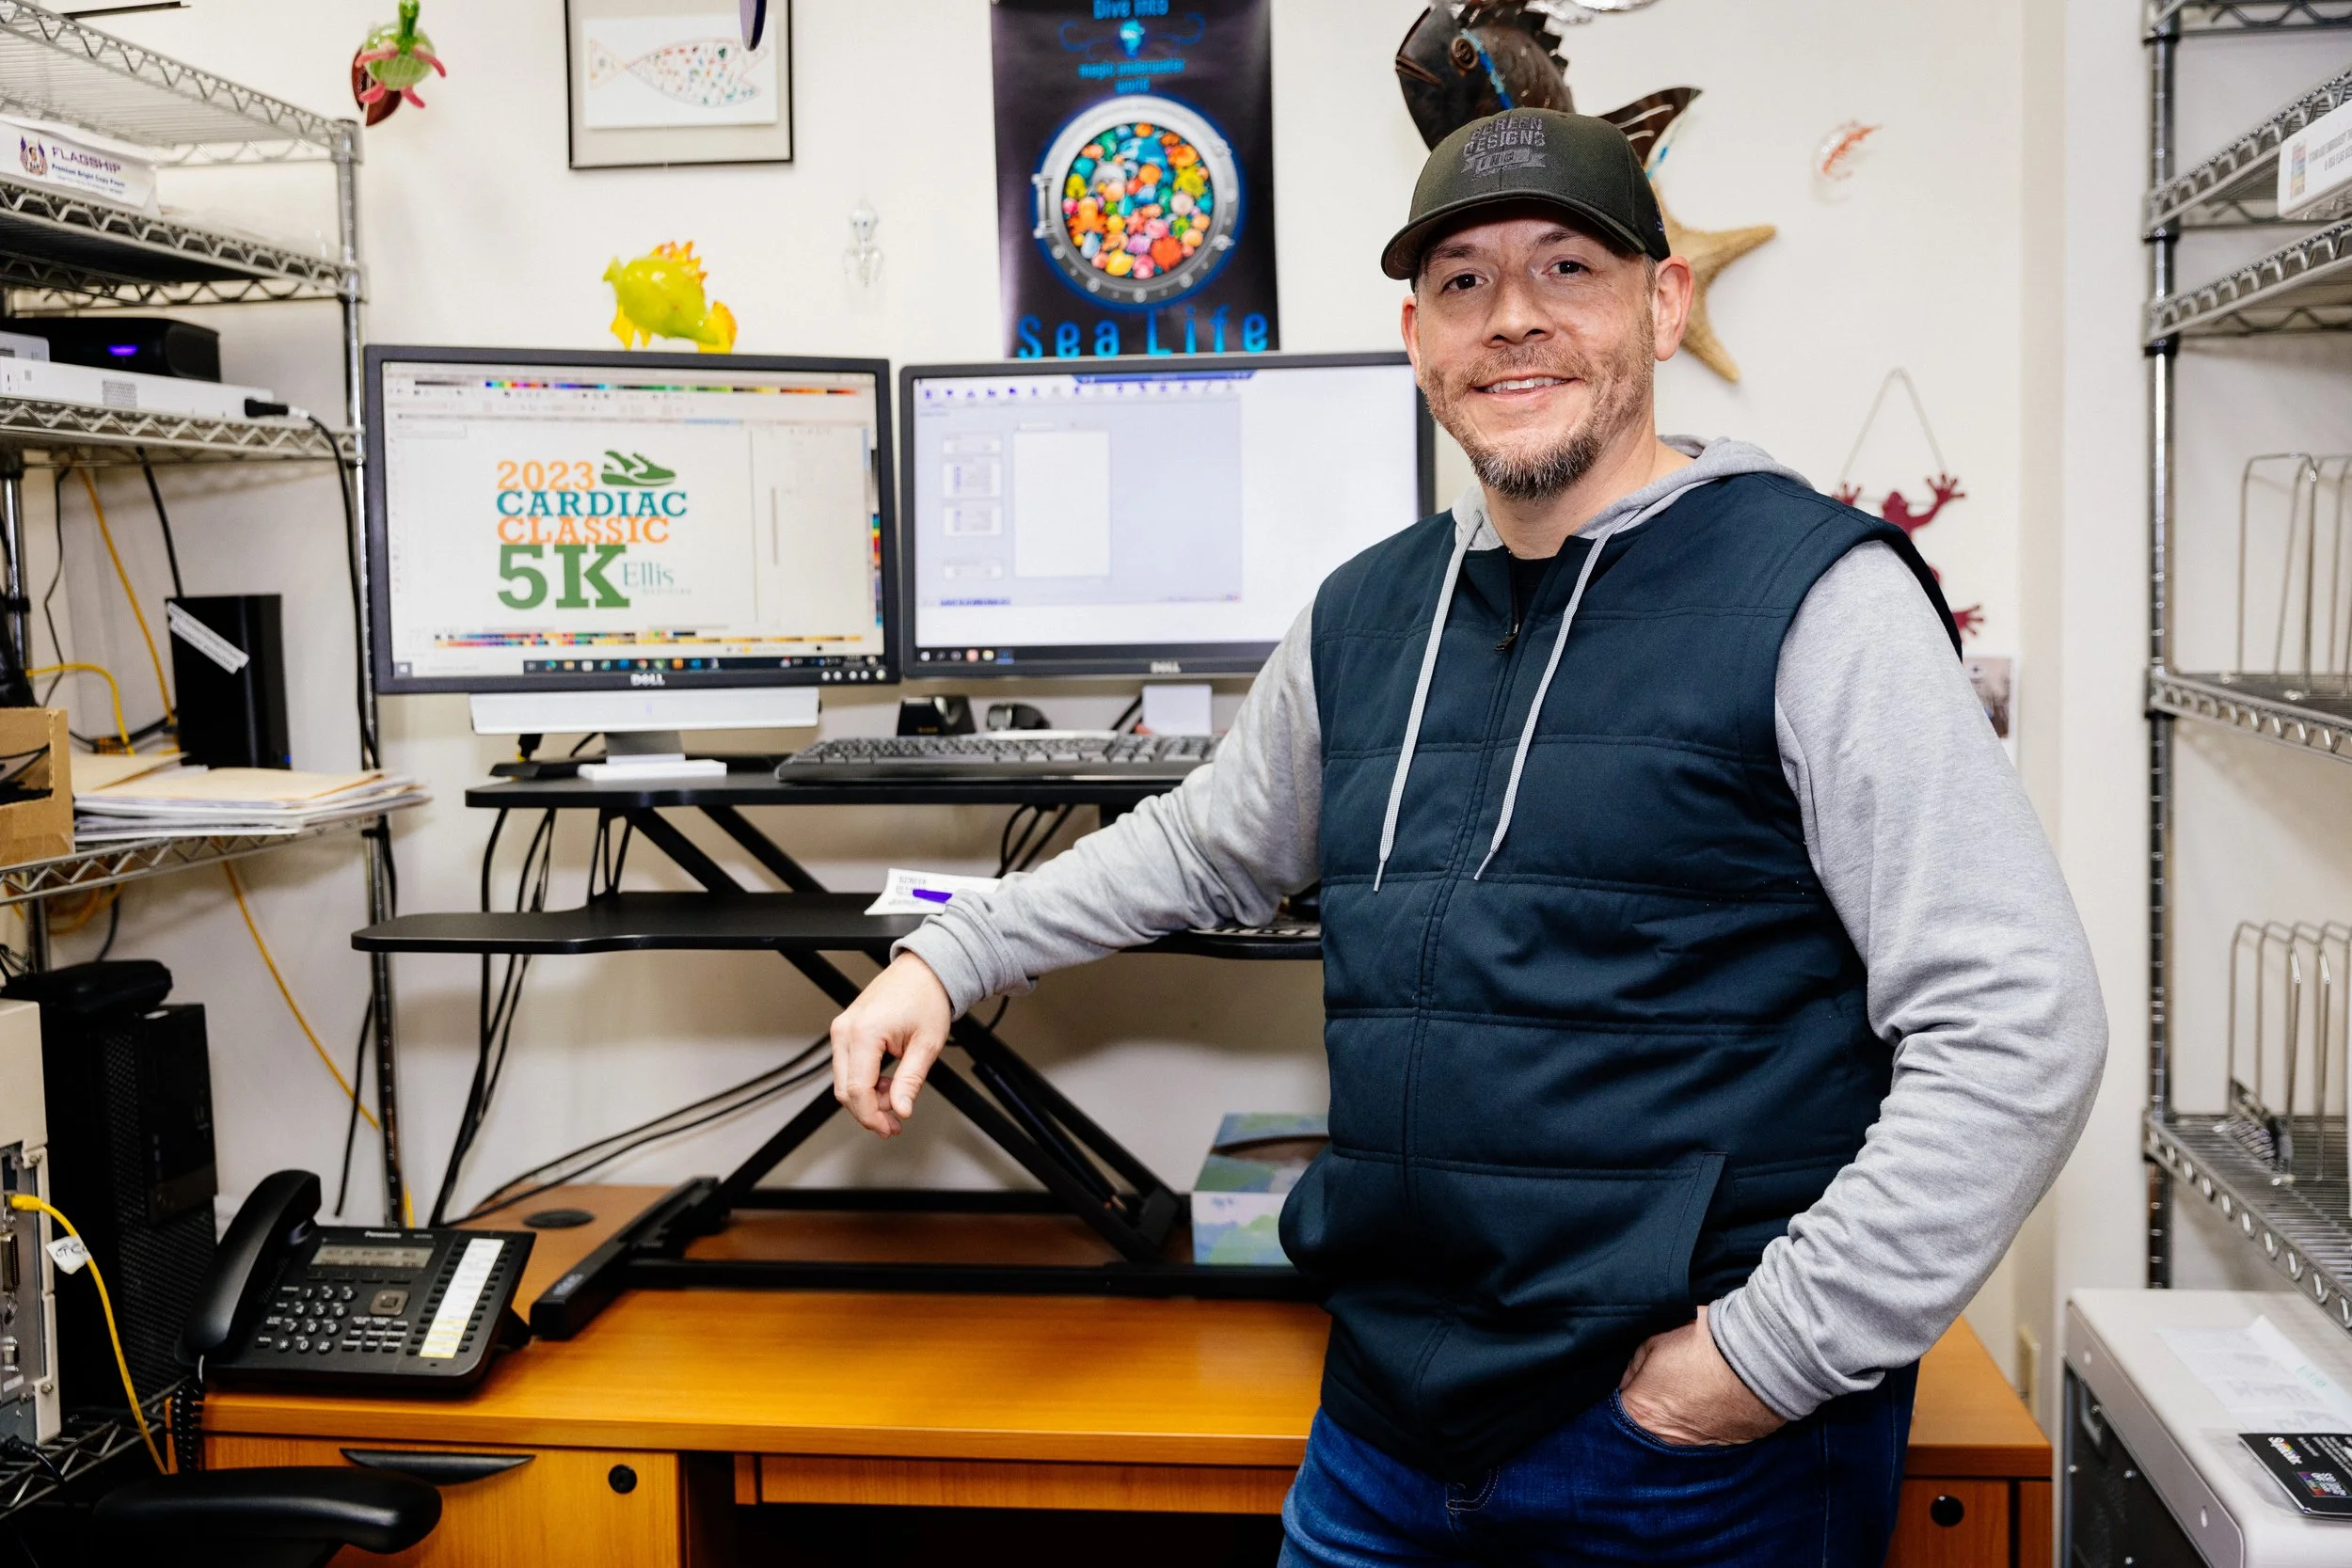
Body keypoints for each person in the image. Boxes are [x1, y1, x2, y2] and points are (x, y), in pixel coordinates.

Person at [830, 107, 2105, 1566]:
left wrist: (1752, 1366)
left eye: (1568, 267)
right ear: (1417, 336)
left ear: (1664, 300)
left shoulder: (1819, 595)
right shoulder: (1365, 611)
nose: (1512, 318)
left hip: (1692, 1456)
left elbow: (2019, 1021)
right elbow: (1203, 847)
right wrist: (953, 949)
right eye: (1462, 283)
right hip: (1384, 1432)